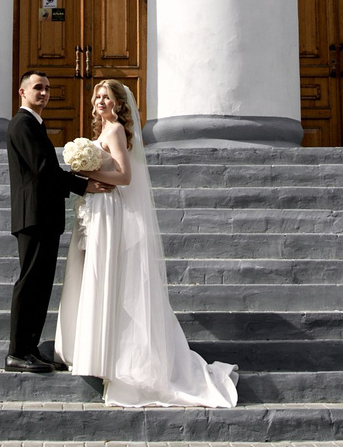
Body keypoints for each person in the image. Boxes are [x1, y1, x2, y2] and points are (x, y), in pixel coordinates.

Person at [55, 78, 239, 408]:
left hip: (110, 210)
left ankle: (114, 356)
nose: (100, 101)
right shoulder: (106, 129)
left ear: (119, 104)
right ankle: (96, 350)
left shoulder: (114, 131)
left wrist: (87, 175)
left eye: (106, 97)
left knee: (106, 277)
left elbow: (125, 177)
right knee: (94, 277)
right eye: (97, 96)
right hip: (96, 210)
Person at [4, 69, 94, 373]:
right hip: (33, 216)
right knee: (29, 283)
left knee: (41, 286)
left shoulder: (35, 124)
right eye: (38, 88)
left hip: (44, 216)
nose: (44, 93)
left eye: (47, 88)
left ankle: (30, 348)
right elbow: (42, 167)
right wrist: (82, 184)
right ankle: (16, 352)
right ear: (22, 92)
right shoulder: (22, 124)